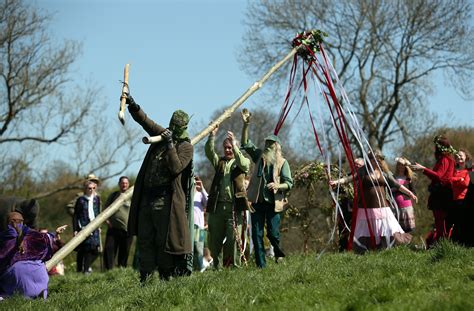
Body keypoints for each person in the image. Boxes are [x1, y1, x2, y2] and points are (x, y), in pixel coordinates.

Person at [125, 94, 194, 282]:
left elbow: (176, 168)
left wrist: (171, 144)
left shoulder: (186, 146)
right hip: (147, 199)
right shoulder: (162, 134)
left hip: (166, 201)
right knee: (145, 239)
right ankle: (145, 278)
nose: (171, 128)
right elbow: (146, 121)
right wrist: (133, 105)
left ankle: (166, 278)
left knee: (164, 241)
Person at [331, 151, 417, 253]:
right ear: (369, 160)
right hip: (367, 209)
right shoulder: (363, 171)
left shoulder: (384, 173)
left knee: (389, 228)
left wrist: (410, 193)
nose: (375, 162)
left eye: (377, 160)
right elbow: (349, 178)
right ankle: (366, 250)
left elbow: (396, 185)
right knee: (367, 230)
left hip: (383, 208)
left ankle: (388, 249)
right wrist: (336, 182)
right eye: (373, 159)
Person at [240, 109, 293, 268]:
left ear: (277, 146)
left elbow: (289, 182)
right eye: (266, 143)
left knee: (273, 233)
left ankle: (278, 253)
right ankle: (261, 265)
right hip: (257, 201)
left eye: (271, 143)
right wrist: (245, 125)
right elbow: (245, 143)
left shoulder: (283, 162)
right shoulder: (259, 156)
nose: (267, 145)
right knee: (256, 234)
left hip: (273, 203)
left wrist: (277, 185)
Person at [205, 126, 250, 268]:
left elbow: (244, 164)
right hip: (217, 207)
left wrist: (235, 145)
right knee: (214, 240)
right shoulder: (219, 162)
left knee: (233, 240)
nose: (227, 150)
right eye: (226, 147)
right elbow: (209, 152)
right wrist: (211, 136)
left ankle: (234, 267)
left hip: (234, 208)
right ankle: (216, 268)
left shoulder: (242, 162)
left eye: (230, 147)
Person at [0, 212, 66, 299]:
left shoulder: (3, 238)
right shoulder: (35, 236)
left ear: (7, 223)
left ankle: (11, 295)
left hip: (15, 278)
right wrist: (56, 233)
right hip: (39, 276)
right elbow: (47, 238)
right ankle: (39, 293)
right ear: (22, 222)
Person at [411, 135, 456, 244]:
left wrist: (423, 169)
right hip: (442, 193)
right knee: (440, 222)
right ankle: (441, 244)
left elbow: (439, 176)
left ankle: (441, 245)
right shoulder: (446, 159)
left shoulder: (445, 159)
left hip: (442, 194)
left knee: (440, 221)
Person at [103, 176, 133, 270]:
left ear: (128, 185)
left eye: (126, 183)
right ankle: (109, 270)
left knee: (124, 252)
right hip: (113, 229)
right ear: (119, 184)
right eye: (122, 183)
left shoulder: (132, 196)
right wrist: (107, 221)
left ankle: (121, 270)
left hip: (127, 230)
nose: (124, 184)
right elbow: (104, 210)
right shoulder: (113, 196)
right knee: (109, 249)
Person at [73, 180, 101, 274]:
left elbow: (98, 212)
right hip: (84, 227)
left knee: (95, 250)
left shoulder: (97, 199)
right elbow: (76, 215)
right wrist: (75, 229)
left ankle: (87, 267)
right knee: (86, 248)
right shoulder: (80, 200)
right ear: (85, 189)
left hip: (95, 226)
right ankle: (84, 270)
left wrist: (99, 225)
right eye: (89, 188)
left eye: (93, 188)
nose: (91, 190)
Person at [446, 149, 471, 244]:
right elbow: (449, 180)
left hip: (464, 200)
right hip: (454, 200)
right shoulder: (454, 171)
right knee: (452, 222)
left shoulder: (468, 170)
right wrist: (459, 179)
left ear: (466, 157)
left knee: (462, 222)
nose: (458, 158)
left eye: (461, 156)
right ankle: (453, 242)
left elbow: (466, 183)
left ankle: (462, 243)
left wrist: (456, 181)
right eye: (456, 157)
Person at [392, 157, 417, 233]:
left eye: (402, 165)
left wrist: (402, 190)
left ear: (405, 166)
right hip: (395, 205)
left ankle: (407, 244)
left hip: (406, 206)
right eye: (399, 164)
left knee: (407, 228)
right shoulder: (393, 177)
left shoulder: (409, 178)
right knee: (397, 228)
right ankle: (400, 244)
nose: (400, 166)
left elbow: (413, 192)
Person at [192, 176, 208, 271]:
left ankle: (200, 269)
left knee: (199, 249)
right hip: (187, 226)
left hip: (199, 226)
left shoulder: (200, 193)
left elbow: (208, 203)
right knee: (189, 250)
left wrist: (202, 189)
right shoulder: (185, 193)